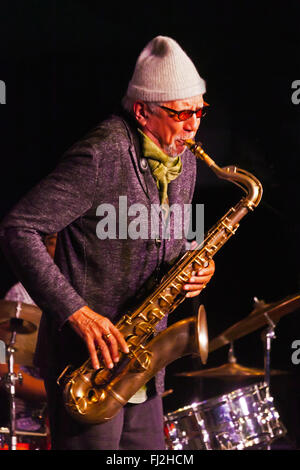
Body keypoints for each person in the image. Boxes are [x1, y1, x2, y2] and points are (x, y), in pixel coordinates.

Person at [0, 36, 215, 450]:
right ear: (143, 112)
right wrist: (77, 313)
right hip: (90, 365)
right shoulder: (101, 155)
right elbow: (18, 229)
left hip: (144, 362)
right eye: (182, 113)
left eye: (200, 110)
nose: (194, 124)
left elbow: (171, 240)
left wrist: (197, 263)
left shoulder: (184, 159)